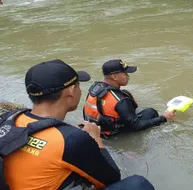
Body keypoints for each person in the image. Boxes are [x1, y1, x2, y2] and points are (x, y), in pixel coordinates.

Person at [0, 59, 155, 190]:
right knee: (137, 183)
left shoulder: (11, 117)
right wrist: (96, 140)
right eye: (78, 85)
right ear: (71, 91)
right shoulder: (71, 139)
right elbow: (111, 177)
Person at [83, 59, 175, 137]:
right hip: (113, 134)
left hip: (97, 130)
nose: (128, 76)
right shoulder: (121, 100)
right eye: (125, 73)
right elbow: (136, 126)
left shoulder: (96, 88)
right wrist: (164, 117)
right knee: (151, 112)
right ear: (114, 76)